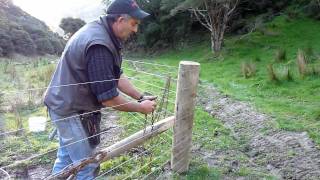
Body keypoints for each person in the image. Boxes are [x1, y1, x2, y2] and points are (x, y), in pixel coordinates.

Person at [44, 0, 156, 179]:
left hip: (63, 104)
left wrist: (140, 96)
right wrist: (140, 107)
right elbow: (109, 98)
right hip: (69, 110)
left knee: (66, 160)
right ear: (120, 20)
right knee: (87, 166)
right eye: (134, 24)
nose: (135, 30)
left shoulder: (103, 32)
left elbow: (115, 74)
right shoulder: (99, 44)